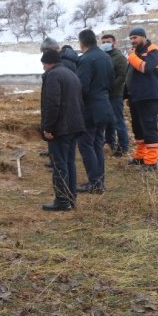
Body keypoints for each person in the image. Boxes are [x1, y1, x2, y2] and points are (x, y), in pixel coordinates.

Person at [39, 49, 85, 211]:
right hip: (74, 126)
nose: (43, 68)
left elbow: (52, 104)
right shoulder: (71, 74)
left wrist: (48, 128)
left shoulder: (53, 76)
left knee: (59, 164)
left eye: (43, 64)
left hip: (60, 128)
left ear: (48, 62)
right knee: (69, 162)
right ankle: (71, 198)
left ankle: (62, 201)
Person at [75, 29, 114, 194]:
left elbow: (82, 87)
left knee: (85, 144)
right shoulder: (106, 57)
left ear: (82, 43)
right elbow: (111, 82)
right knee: (97, 143)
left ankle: (93, 182)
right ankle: (99, 182)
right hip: (105, 105)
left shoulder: (86, 60)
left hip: (90, 107)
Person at [124, 27, 158, 171]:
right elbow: (129, 75)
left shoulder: (153, 50)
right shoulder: (136, 53)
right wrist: (126, 94)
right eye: (131, 38)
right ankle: (141, 156)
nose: (132, 41)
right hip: (136, 97)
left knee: (149, 126)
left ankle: (151, 162)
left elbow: (146, 68)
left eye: (135, 37)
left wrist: (131, 57)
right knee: (138, 128)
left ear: (143, 37)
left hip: (148, 96)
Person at [101, 34, 129, 156]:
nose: (105, 43)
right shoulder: (103, 56)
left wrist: (111, 87)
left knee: (118, 120)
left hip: (115, 94)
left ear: (114, 43)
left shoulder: (119, 57)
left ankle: (123, 146)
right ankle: (110, 141)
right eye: (103, 42)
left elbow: (122, 75)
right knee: (108, 120)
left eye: (108, 41)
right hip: (105, 94)